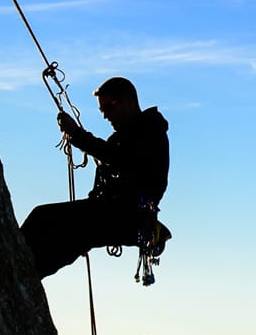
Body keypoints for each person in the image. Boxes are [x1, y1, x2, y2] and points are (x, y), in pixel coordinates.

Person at [21, 76, 169, 278]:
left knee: (43, 218)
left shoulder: (150, 131)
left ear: (127, 101)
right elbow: (111, 170)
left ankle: (17, 271)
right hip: (118, 212)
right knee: (63, 239)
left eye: (109, 107)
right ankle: (24, 277)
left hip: (129, 214)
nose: (106, 116)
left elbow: (120, 159)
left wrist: (77, 135)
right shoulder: (124, 137)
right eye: (102, 111)